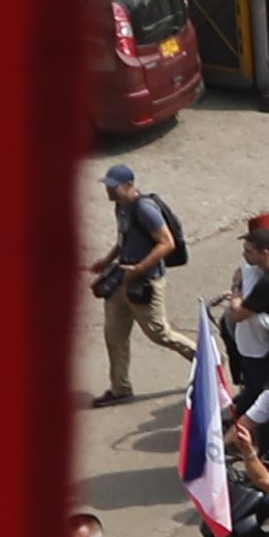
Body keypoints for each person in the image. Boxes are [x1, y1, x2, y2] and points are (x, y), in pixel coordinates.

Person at [91, 163, 190, 403]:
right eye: (108, 186)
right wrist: (107, 260)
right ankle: (120, 388)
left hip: (145, 283)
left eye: (114, 187)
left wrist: (139, 269)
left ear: (129, 185)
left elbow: (167, 243)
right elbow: (123, 239)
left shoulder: (144, 209)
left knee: (159, 334)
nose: (109, 191)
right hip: (121, 279)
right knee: (114, 334)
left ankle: (207, 360)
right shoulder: (121, 206)